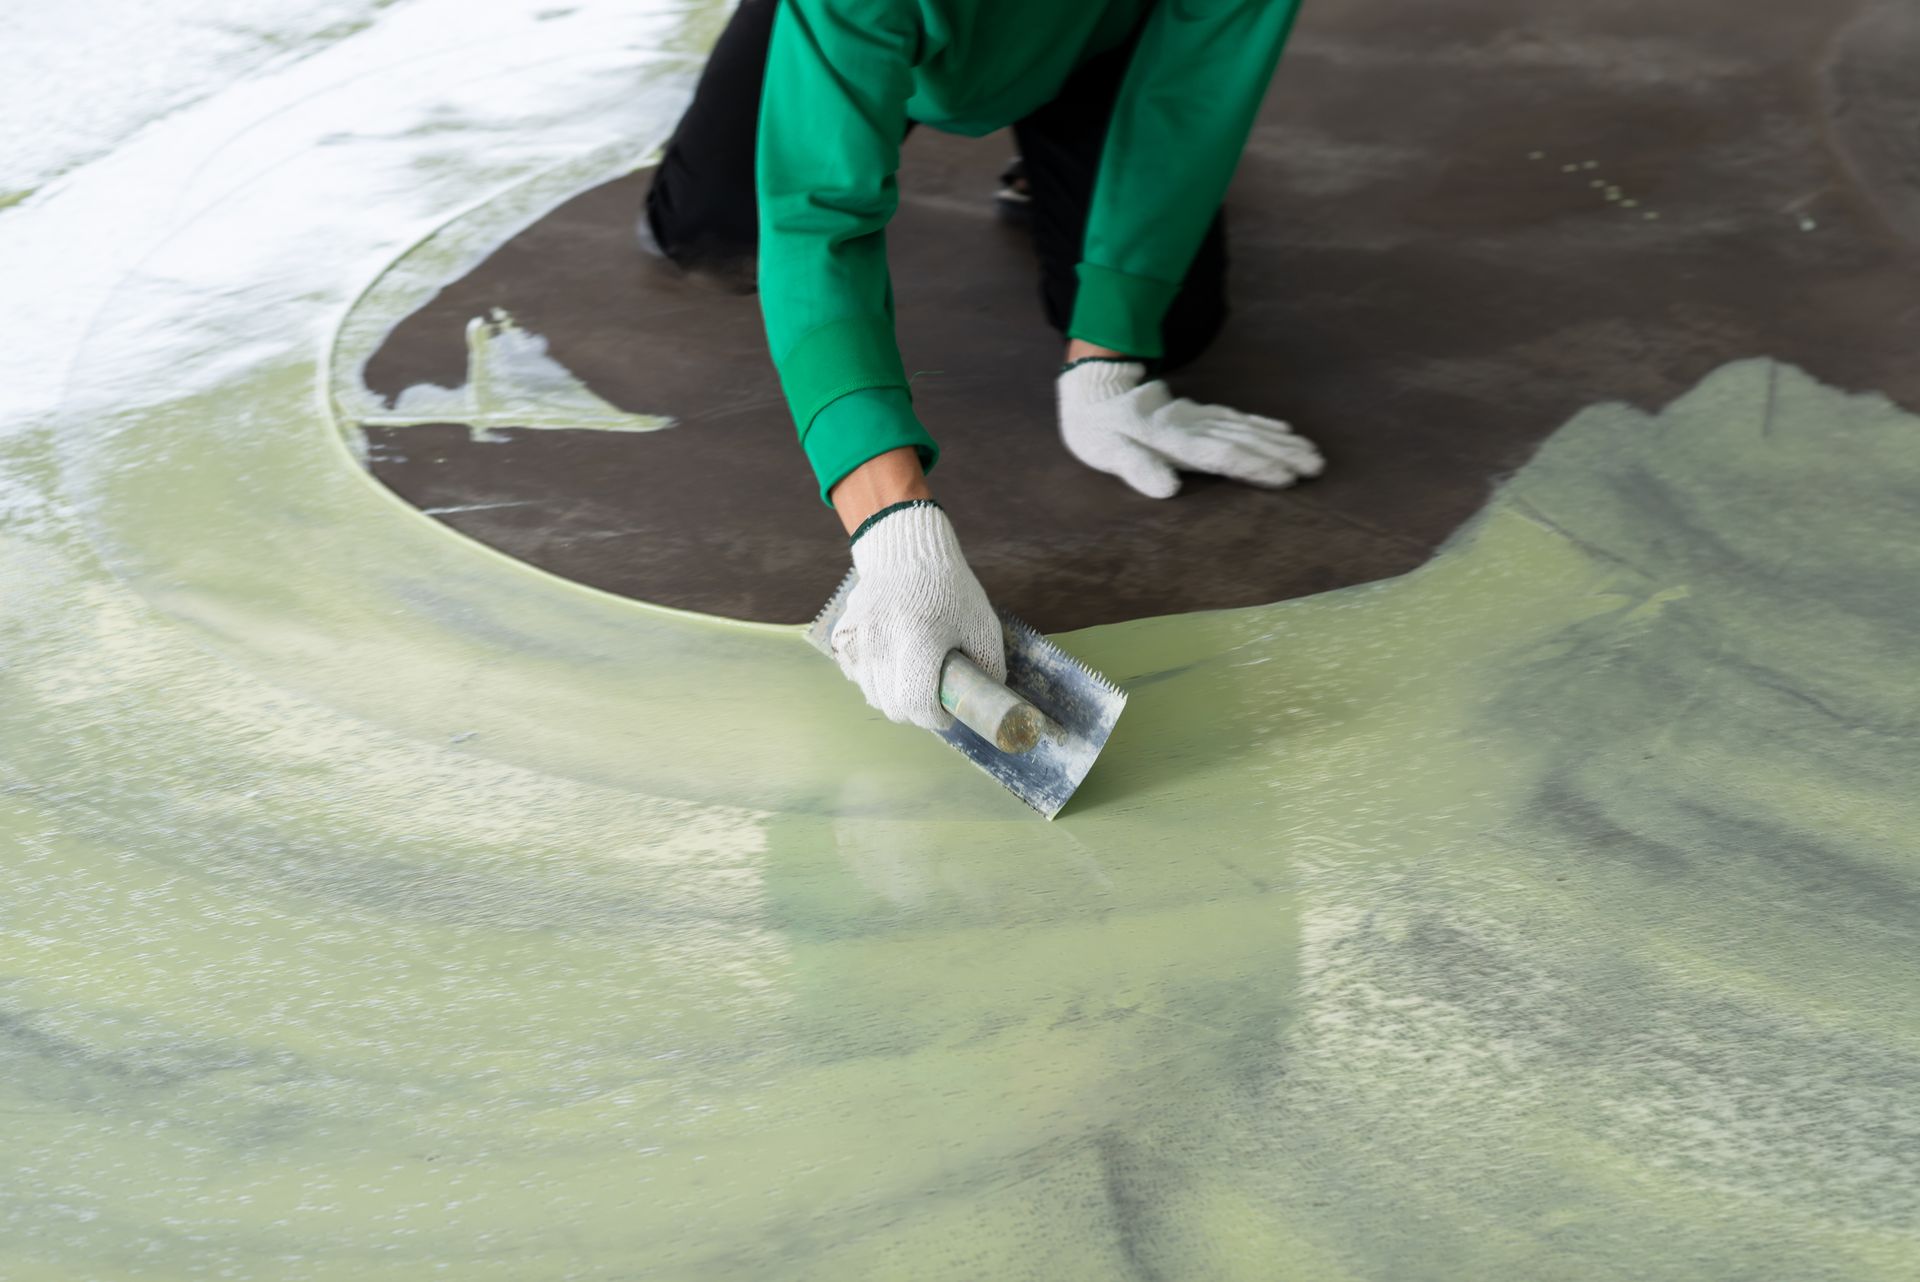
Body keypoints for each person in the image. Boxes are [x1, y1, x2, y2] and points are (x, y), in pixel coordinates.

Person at [641, 0, 1323, 732]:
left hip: (1096, 38)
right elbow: (816, 216)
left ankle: (1046, 142)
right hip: (867, 27)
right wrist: (891, 524)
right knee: (712, 233)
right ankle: (840, 83)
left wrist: (1106, 355)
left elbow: (1197, 85)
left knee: (1173, 321)